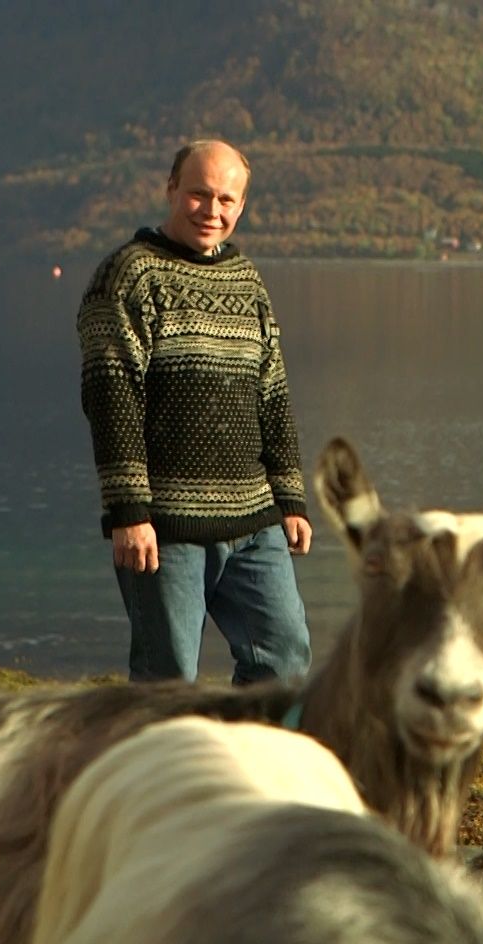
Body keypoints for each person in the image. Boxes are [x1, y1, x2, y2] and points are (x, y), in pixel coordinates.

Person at [78, 139, 312, 684]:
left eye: (227, 200)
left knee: (284, 660)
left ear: (242, 206)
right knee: (168, 680)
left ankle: (247, 769)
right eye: (199, 194)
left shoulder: (246, 280)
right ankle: (156, 771)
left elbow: (272, 391)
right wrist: (129, 513)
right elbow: (111, 399)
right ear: (171, 190)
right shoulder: (128, 275)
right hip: (165, 527)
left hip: (255, 521)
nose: (213, 211)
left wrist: (290, 497)